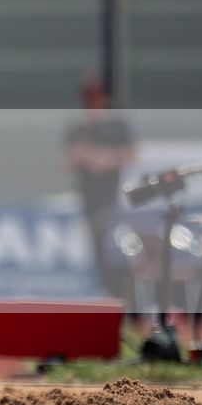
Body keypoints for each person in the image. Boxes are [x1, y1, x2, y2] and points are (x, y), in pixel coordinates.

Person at [65, 72, 135, 302]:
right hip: (88, 198)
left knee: (115, 246)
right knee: (95, 246)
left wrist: (105, 160)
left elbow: (130, 154)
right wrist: (86, 157)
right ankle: (101, 292)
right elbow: (68, 158)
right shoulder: (80, 127)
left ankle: (118, 294)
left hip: (113, 197)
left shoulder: (116, 126)